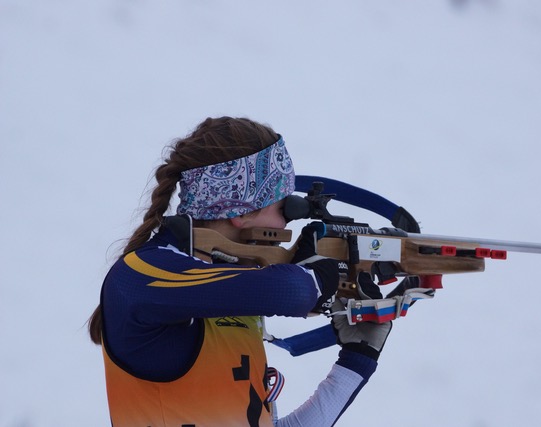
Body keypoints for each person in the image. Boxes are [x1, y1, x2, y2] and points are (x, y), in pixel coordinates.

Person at [88, 116, 392, 427]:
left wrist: (357, 359)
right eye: (283, 206)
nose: (288, 222)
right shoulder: (139, 274)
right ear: (242, 212)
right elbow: (293, 291)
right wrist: (319, 279)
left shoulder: (235, 306)